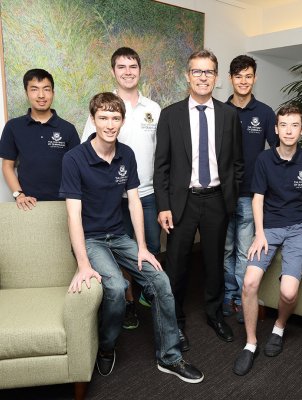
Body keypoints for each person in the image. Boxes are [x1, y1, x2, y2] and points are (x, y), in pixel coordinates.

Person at [60, 92, 203, 383]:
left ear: (122, 121)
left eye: (115, 118)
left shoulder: (127, 154)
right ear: (93, 119)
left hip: (119, 235)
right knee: (114, 287)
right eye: (103, 118)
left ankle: (169, 357)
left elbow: (134, 202)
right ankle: (106, 347)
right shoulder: (74, 159)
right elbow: (73, 215)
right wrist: (84, 263)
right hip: (91, 239)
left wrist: (142, 248)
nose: (110, 124)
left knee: (160, 280)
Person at [154, 49, 244, 352]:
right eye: (197, 71)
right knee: (176, 265)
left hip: (217, 200)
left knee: (214, 262)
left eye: (208, 72)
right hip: (183, 202)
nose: (203, 77)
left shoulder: (230, 115)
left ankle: (214, 313)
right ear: (187, 75)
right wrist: (164, 205)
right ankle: (175, 321)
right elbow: (161, 166)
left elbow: (237, 162)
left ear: (216, 78)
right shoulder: (170, 115)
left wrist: (231, 197)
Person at [232, 104, 302, 376]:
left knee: (289, 292)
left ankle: (279, 327)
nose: (289, 130)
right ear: (276, 129)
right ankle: (250, 343)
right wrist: (259, 233)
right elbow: (257, 198)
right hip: (269, 227)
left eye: (295, 125)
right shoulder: (263, 159)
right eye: (284, 125)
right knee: (248, 283)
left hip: (299, 227)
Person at [82, 47, 161, 330]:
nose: (128, 71)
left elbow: (160, 154)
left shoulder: (153, 109)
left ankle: (147, 299)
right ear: (113, 71)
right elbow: (86, 152)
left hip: (147, 194)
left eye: (132, 66)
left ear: (140, 70)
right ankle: (127, 303)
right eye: (121, 67)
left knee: (150, 247)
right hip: (113, 198)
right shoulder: (104, 109)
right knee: (119, 252)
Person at [223, 55, 276, 324]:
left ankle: (244, 300)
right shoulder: (220, 111)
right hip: (221, 194)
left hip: (250, 195)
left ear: (254, 78)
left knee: (245, 251)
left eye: (248, 76)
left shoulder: (265, 113)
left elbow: (278, 151)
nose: (243, 81)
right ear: (230, 79)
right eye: (238, 76)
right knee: (225, 250)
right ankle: (228, 297)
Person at [0, 69, 79, 209]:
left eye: (46, 89)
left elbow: (77, 169)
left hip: (63, 204)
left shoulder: (68, 129)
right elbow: (7, 165)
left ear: (53, 93)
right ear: (26, 93)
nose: (41, 95)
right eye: (34, 89)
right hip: (27, 204)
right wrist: (19, 194)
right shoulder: (13, 127)